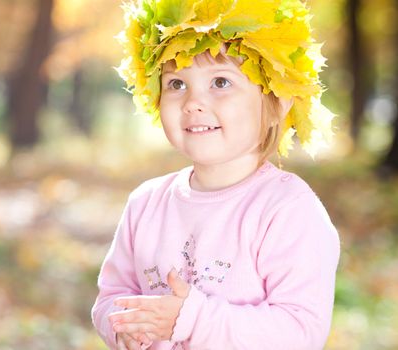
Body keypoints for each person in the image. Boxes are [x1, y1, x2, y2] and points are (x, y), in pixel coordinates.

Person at [91, 0, 340, 349]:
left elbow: (300, 331)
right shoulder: (145, 203)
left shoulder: (287, 210)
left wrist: (192, 320)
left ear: (276, 104)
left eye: (221, 81)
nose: (193, 102)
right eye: (176, 84)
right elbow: (112, 296)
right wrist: (122, 326)